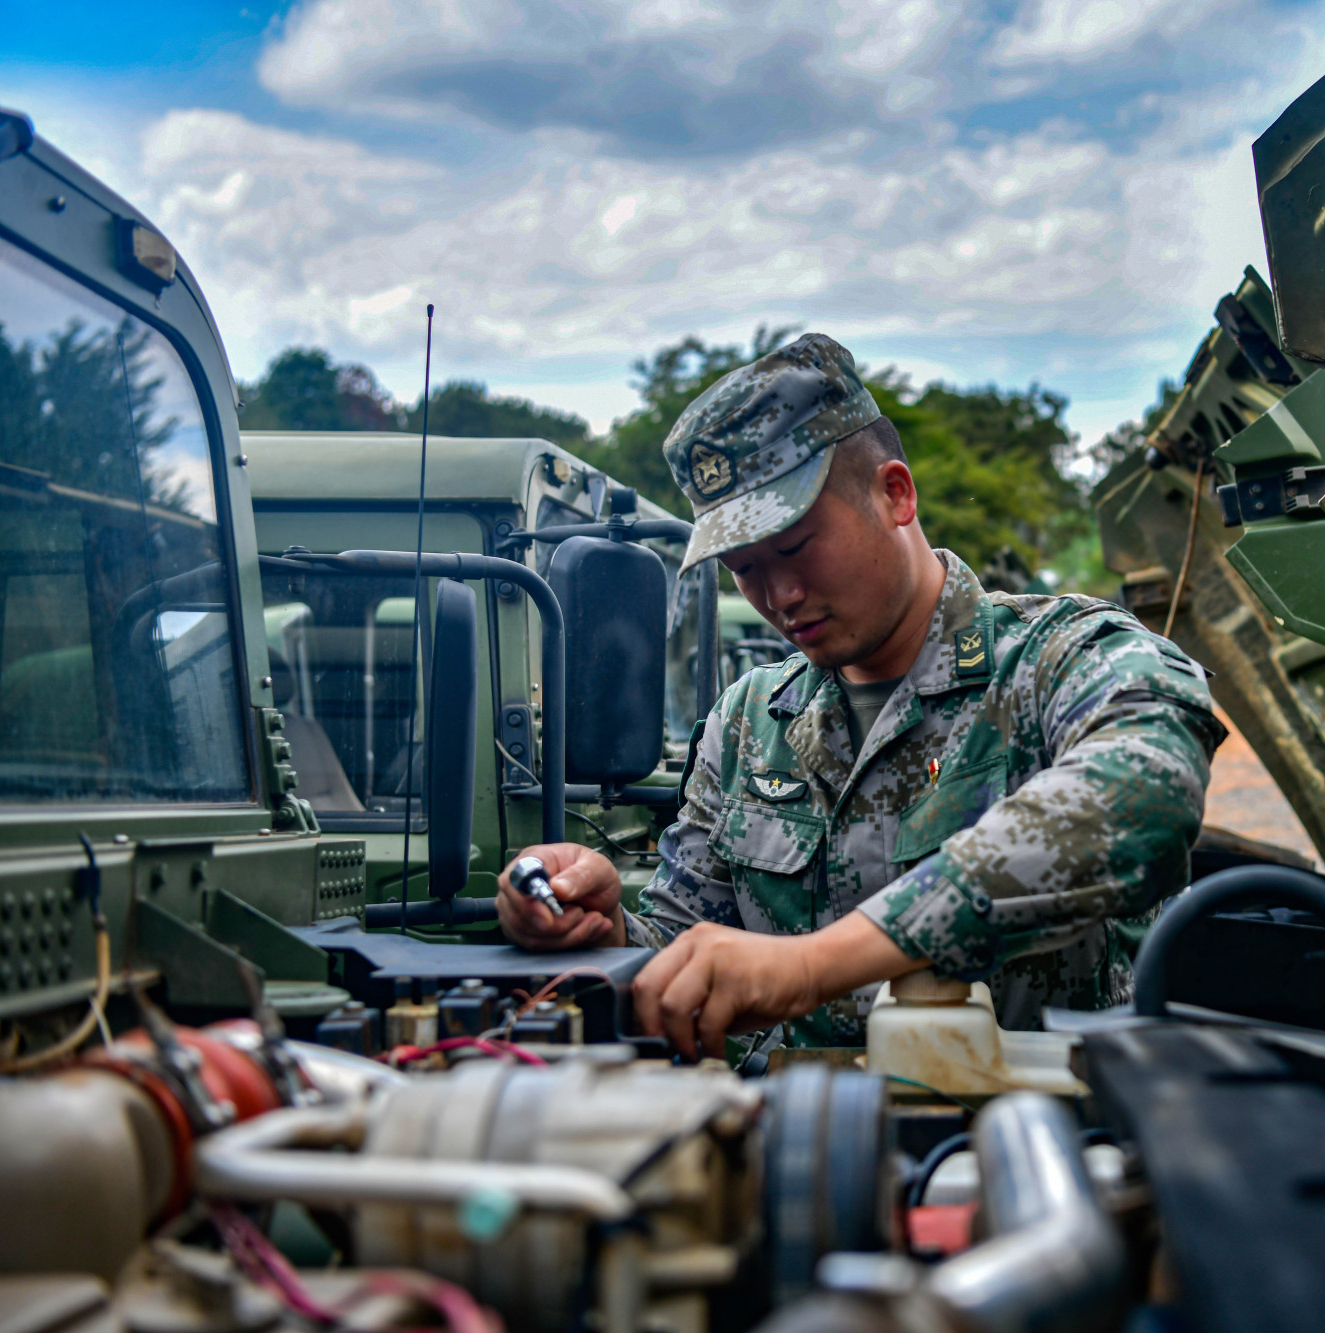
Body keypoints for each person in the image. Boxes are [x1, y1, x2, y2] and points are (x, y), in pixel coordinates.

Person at [497, 332, 1224, 1057]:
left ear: (894, 493)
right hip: (795, 1123)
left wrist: (814, 965)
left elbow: (1148, 788)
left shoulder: (1058, 657)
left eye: (794, 546)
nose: (779, 594)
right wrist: (607, 929)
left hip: (1027, 1119)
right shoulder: (749, 722)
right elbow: (691, 945)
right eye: (745, 568)